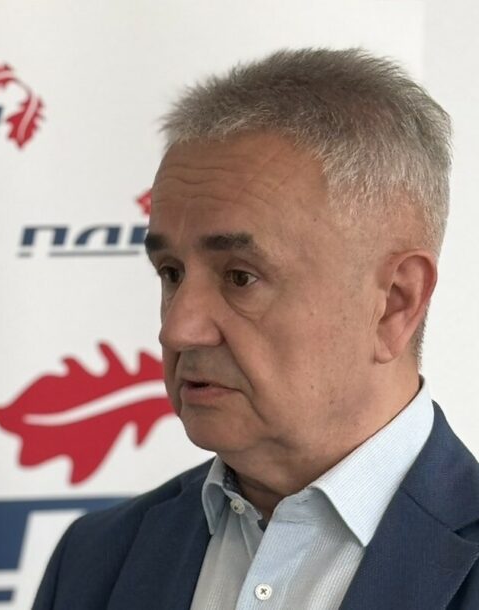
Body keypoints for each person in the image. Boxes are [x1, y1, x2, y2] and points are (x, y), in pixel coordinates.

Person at [32, 48, 479, 610]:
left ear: (394, 302)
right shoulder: (95, 560)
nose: (178, 329)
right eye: (171, 273)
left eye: (240, 277)